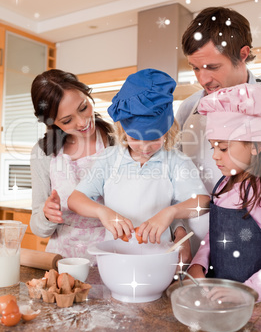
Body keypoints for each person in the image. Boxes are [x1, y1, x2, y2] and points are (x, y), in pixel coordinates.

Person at [68, 68, 210, 254]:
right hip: (116, 257)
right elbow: (75, 200)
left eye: (153, 139)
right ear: (122, 130)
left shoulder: (175, 161)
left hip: (160, 260)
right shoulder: (109, 159)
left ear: (167, 129)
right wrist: (103, 212)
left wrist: (171, 213)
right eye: (134, 139)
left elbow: (203, 202)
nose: (144, 147)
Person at [175, 6, 261, 256]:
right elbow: (174, 177)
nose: (203, 80)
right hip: (197, 250)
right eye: (195, 68)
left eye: (212, 67)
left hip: (256, 249)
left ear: (243, 54)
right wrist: (179, 228)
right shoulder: (188, 109)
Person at [187, 83, 261, 302]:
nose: (215, 156)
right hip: (219, 294)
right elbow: (215, 233)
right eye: (213, 147)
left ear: (256, 146)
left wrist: (250, 291)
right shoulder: (224, 185)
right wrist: (198, 263)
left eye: (222, 148)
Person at [30, 69, 114, 259]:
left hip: (112, 255)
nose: (83, 122)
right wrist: (47, 216)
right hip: (64, 261)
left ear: (86, 94)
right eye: (67, 120)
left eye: (83, 107)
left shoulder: (118, 141)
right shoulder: (43, 153)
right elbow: (37, 227)